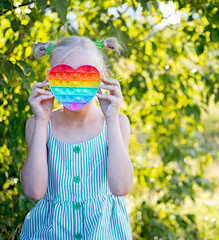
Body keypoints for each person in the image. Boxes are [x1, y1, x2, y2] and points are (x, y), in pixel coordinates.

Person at [19, 36, 133, 239]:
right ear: (50, 78)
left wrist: (112, 119)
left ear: (102, 78)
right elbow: (34, 191)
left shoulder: (117, 123)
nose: (74, 83)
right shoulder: (38, 124)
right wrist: (42, 120)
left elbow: (121, 187)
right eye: (64, 74)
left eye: (85, 74)